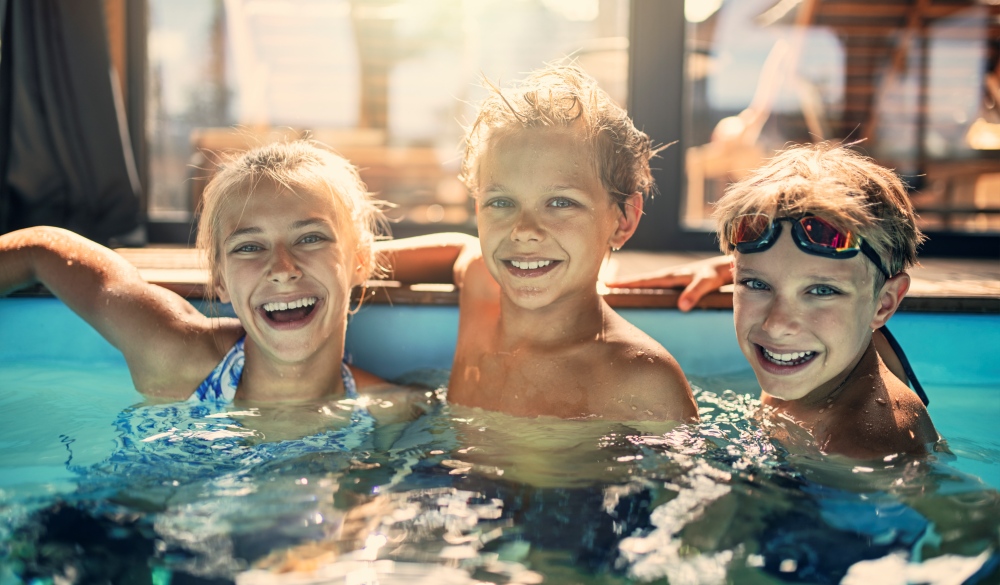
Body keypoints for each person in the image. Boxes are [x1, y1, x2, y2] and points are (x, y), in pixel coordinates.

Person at [0, 140, 419, 433]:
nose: (282, 268)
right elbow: (42, 251)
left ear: (361, 260)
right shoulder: (174, 359)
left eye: (310, 238)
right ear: (219, 280)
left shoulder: (387, 411)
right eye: (249, 246)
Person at [380, 64, 698, 422]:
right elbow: (462, 250)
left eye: (561, 203)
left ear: (623, 220)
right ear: (478, 209)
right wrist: (344, 263)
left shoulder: (642, 381)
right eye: (501, 202)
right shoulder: (481, 296)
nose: (524, 230)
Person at [619, 142, 936, 458]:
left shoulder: (860, 451)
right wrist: (728, 269)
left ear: (884, 304)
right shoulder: (849, 343)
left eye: (821, 291)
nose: (777, 324)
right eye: (756, 283)